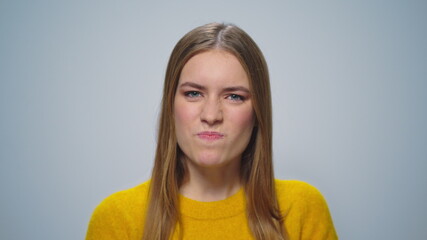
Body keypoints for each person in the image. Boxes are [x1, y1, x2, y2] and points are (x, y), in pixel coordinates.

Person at [86, 22, 338, 240]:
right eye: (193, 93)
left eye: (234, 96)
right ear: (171, 105)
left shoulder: (301, 208)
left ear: (258, 112)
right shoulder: (117, 218)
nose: (211, 116)